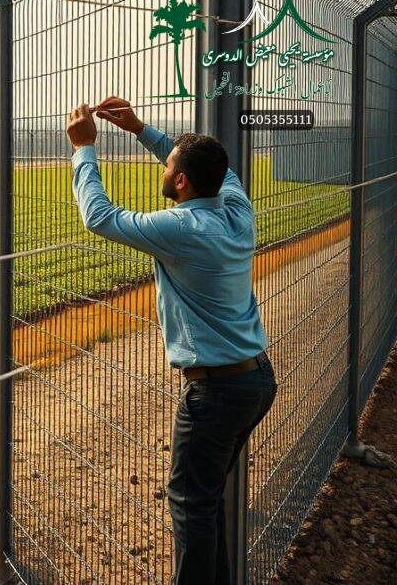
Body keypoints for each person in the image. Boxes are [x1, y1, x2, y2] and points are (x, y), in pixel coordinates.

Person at [65, 96, 276, 585]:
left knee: (191, 506)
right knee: (206, 499)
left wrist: (84, 150)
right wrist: (141, 129)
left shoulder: (183, 228)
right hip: (255, 379)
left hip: (216, 391)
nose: (165, 167)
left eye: (170, 164)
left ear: (180, 180)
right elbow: (214, 172)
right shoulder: (236, 211)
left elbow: (99, 217)